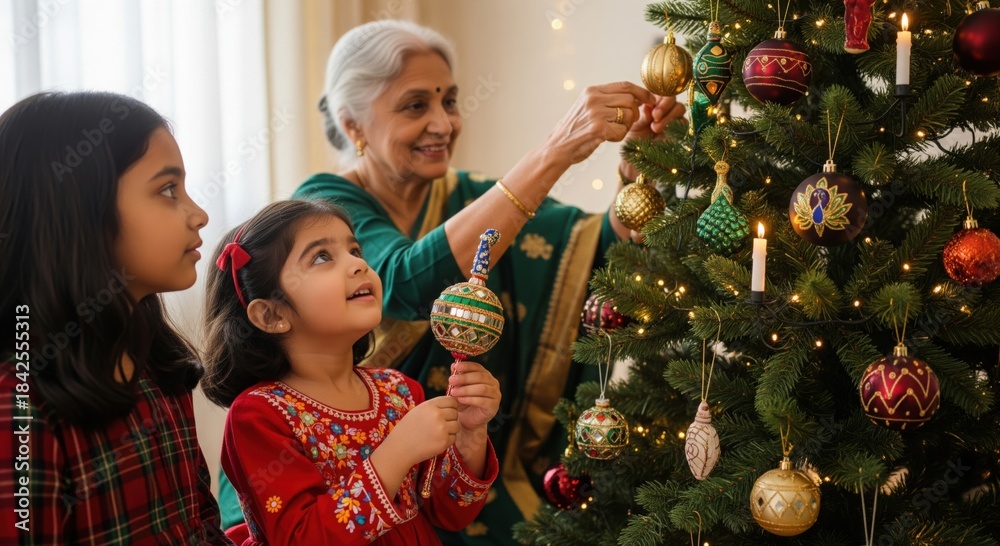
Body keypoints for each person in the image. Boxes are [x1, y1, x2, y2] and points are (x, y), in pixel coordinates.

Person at [218, 19, 686, 544]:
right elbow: (409, 284)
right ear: (352, 124)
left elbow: (593, 251)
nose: (442, 123)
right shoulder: (324, 209)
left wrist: (637, 174)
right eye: (416, 105)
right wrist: (554, 150)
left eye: (450, 101)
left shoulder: (399, 392)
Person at [0, 92, 230, 544]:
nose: (199, 214)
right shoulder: (20, 407)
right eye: (167, 189)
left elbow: (201, 525)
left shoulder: (159, 368)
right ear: (79, 209)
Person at [201, 199, 502, 545]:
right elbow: (302, 538)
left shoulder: (400, 390)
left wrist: (471, 434)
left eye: (355, 250)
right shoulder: (258, 416)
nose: (358, 265)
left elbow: (450, 513)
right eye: (322, 257)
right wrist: (398, 451)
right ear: (271, 315)